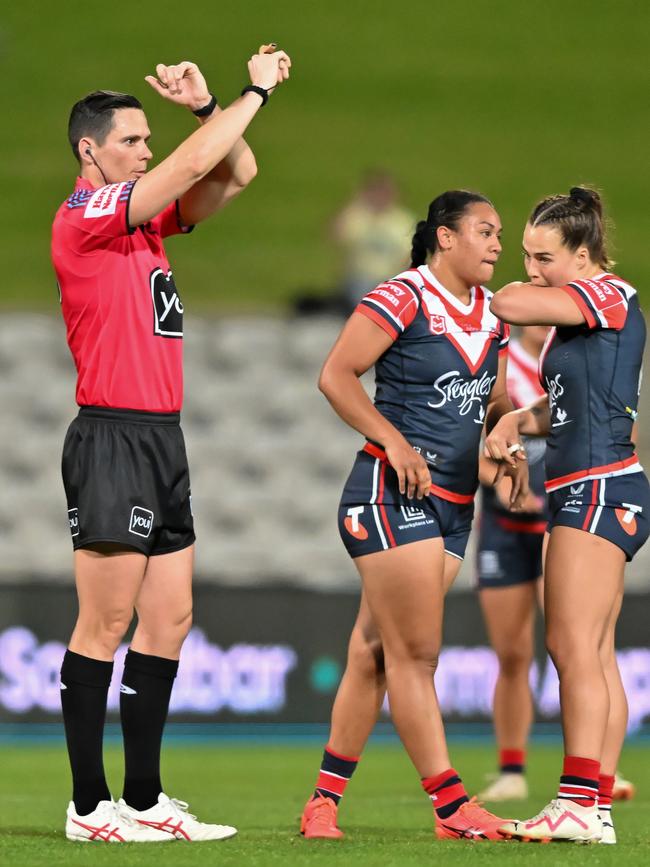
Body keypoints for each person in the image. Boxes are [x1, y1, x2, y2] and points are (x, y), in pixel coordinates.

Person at [51, 47, 291, 843]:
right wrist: (254, 91)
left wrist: (209, 103)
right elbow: (195, 165)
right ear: (90, 150)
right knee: (106, 621)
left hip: (163, 435)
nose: (146, 151)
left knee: (171, 617)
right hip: (113, 432)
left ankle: (146, 798)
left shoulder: (145, 221)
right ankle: (90, 807)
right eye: (131, 141)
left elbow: (235, 171)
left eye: (149, 140)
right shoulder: (84, 217)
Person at [299, 190, 528, 841]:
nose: (496, 243)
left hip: (456, 507)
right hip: (390, 494)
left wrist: (504, 440)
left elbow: (494, 402)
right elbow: (336, 375)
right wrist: (391, 440)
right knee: (415, 653)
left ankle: (322, 802)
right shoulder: (402, 296)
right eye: (485, 231)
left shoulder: (492, 313)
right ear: (445, 237)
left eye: (499, 233)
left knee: (373, 651)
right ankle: (453, 806)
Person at [487, 187, 649, 844]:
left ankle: (579, 802)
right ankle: (595, 802)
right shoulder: (581, 311)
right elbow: (568, 406)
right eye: (525, 254)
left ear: (583, 257)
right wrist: (518, 422)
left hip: (597, 485)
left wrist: (513, 288)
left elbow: (506, 302)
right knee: (593, 651)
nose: (530, 268)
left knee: (571, 644)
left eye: (543, 256)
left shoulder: (609, 292)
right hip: (591, 484)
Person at [476, 325, 549, 802]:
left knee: (574, 648)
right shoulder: (495, 365)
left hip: (560, 519)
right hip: (504, 524)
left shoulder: (573, 362)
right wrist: (506, 491)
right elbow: (474, 445)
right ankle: (512, 769)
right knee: (512, 654)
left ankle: (597, 770)